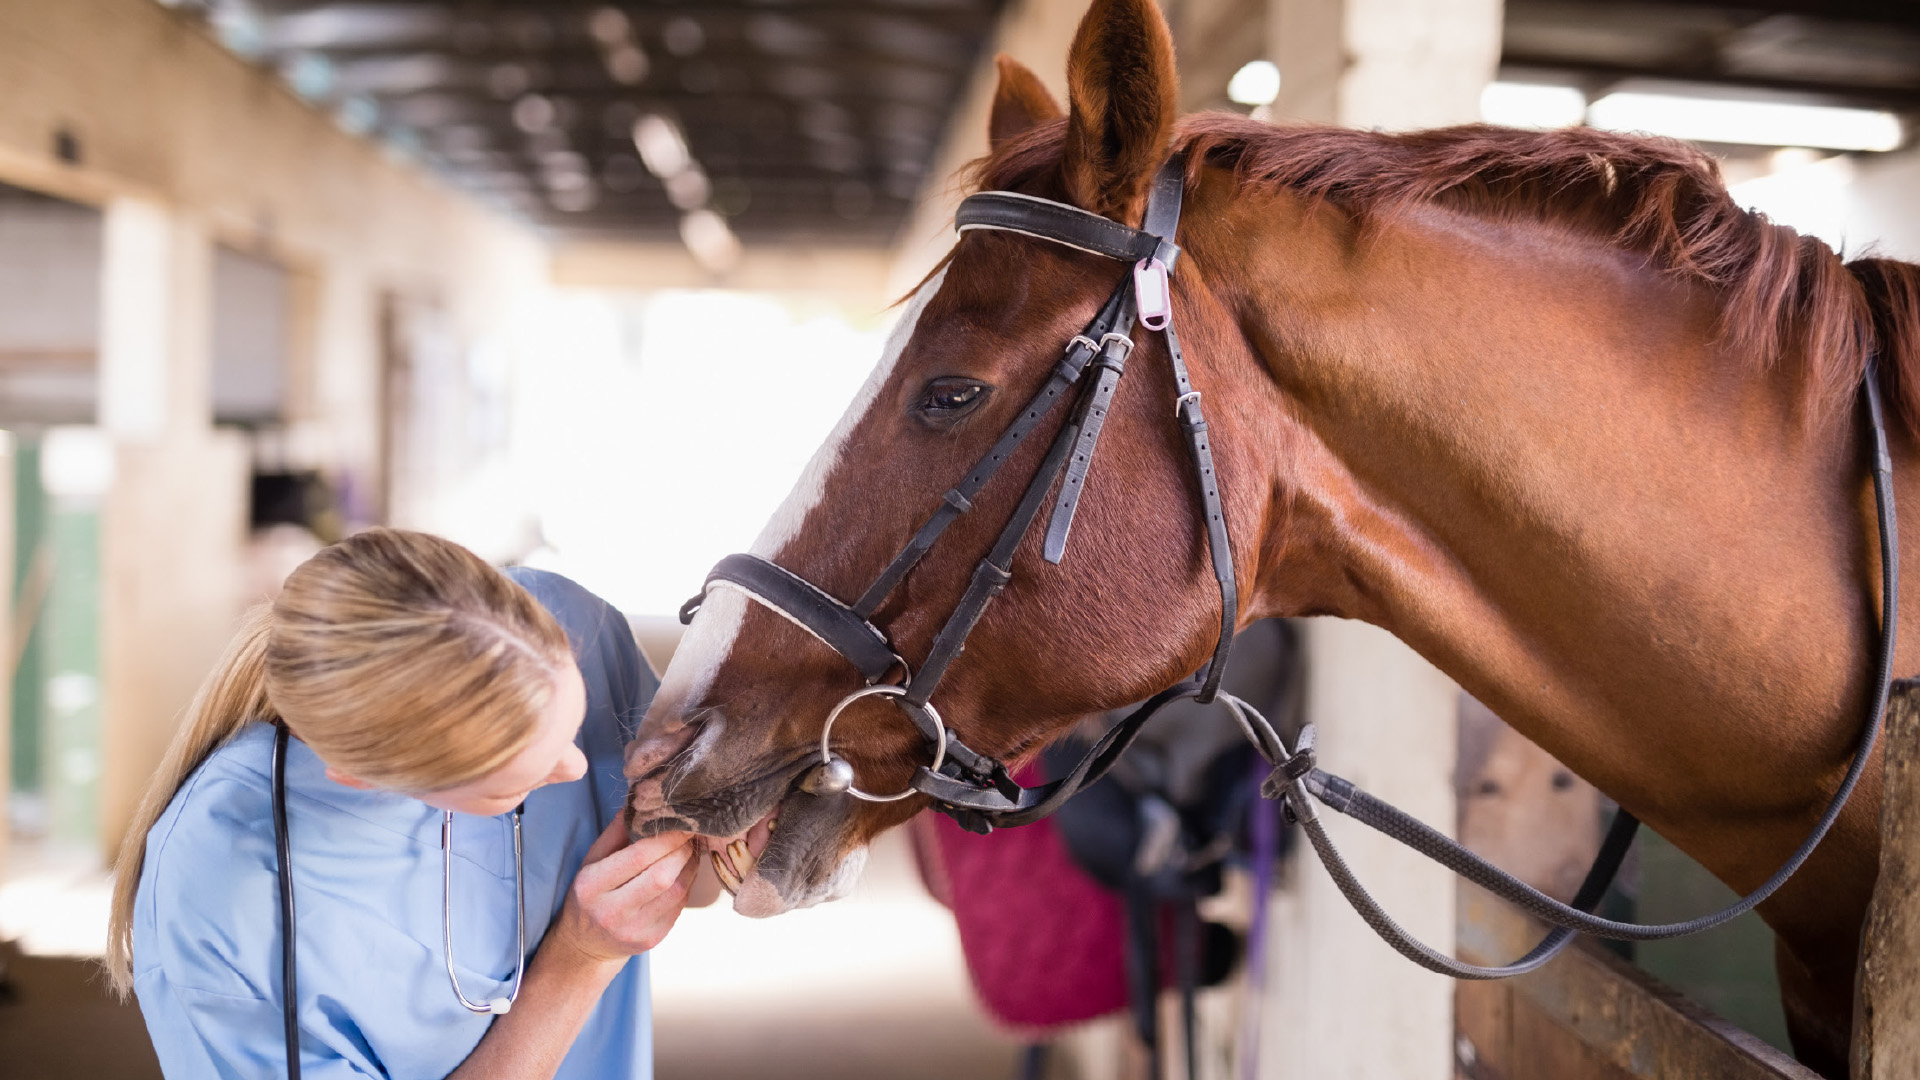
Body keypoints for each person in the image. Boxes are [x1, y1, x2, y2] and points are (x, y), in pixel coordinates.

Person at [103, 527, 700, 1078]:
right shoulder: (220, 900)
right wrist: (580, 958)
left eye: (574, 722)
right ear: (363, 777)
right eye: (511, 783)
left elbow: (705, 880)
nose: (578, 769)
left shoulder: (573, 620)